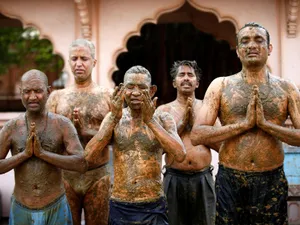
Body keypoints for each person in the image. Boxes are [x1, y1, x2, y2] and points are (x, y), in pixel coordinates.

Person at [191, 22, 300, 224]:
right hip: (230, 178)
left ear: (269, 48)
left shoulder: (287, 88)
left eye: (259, 40)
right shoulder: (221, 85)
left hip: (271, 179)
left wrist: (267, 125)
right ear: (238, 51)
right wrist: (243, 125)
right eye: (245, 41)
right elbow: (198, 135)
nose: (252, 45)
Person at [85, 65, 186, 225]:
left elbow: (180, 154)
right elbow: (88, 156)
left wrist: (150, 121)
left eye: (142, 88)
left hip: (153, 204)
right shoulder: (113, 118)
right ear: (123, 90)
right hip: (120, 204)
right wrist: (113, 119)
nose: (136, 93)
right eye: (130, 87)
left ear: (152, 91)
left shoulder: (163, 118)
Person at [0, 69, 87, 225]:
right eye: (27, 91)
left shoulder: (62, 124)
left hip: (55, 205)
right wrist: (24, 155)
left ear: (48, 91)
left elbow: (81, 163)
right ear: (20, 92)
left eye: (38, 91)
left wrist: (43, 154)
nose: (32, 97)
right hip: (21, 206)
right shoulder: (11, 127)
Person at [46, 39, 112, 225]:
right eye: (74, 58)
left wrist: (85, 131)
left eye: (84, 58)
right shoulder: (57, 97)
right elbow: (48, 139)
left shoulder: (107, 95)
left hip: (98, 173)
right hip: (66, 175)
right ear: (69, 62)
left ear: (94, 62)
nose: (78, 63)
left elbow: (117, 136)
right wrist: (69, 133)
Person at [157, 60, 217, 225]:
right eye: (181, 75)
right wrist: (182, 125)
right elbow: (157, 149)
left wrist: (198, 129)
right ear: (174, 82)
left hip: (202, 178)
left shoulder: (208, 110)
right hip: (173, 178)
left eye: (190, 75)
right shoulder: (163, 111)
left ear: (197, 82)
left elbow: (221, 146)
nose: (186, 78)